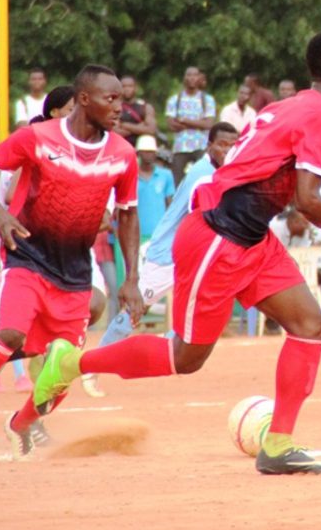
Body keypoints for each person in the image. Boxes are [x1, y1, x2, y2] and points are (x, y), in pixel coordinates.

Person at [34, 30, 321, 475]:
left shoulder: (286, 107)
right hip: (219, 236)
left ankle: (277, 445)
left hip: (250, 236)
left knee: (309, 324)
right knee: (186, 358)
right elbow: (309, 199)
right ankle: (72, 361)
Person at [0, 64, 140, 459]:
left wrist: (131, 279)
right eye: (110, 99)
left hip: (75, 273)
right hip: (28, 257)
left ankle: (22, 424)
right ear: (82, 99)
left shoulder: (123, 155)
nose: (119, 108)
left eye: (122, 100)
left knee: (65, 366)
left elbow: (128, 214)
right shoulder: (36, 138)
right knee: (9, 334)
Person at [82, 122, 241, 397]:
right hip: (169, 253)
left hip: (190, 252)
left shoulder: (216, 171)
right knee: (135, 310)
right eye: (222, 145)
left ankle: (171, 344)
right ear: (209, 146)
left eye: (232, 145)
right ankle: (92, 365)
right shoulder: (203, 176)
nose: (228, 150)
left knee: (208, 300)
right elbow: (203, 217)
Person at [165, 66, 217, 185]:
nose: (192, 78)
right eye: (189, 75)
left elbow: (209, 124)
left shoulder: (208, 100)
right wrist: (198, 123)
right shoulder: (174, 100)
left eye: (195, 75)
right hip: (180, 147)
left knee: (204, 179)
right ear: (184, 78)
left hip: (201, 146)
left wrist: (184, 120)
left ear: (200, 78)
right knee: (177, 182)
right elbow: (171, 125)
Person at [134, 135, 174, 240]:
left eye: (151, 151)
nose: (148, 155)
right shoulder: (130, 175)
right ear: (138, 153)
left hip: (159, 232)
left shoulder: (166, 175)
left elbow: (169, 203)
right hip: (136, 231)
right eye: (145, 151)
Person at [113, 74, 158, 146]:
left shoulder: (145, 107)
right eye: (124, 86)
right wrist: (141, 127)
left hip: (142, 148)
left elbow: (151, 130)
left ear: (135, 88)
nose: (127, 89)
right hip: (121, 146)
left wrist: (125, 125)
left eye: (130, 86)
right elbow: (115, 132)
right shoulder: (114, 107)